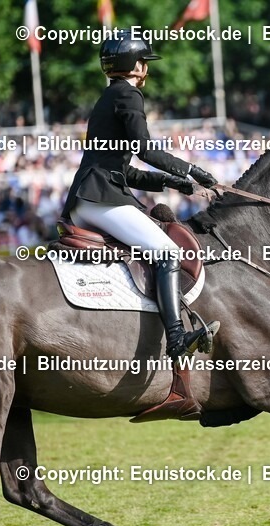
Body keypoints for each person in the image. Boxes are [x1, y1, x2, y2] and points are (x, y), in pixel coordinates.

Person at [61, 30, 219, 358]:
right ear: (135, 66)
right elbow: (144, 150)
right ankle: (176, 339)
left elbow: (126, 171)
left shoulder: (108, 97)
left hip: (90, 196)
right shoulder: (129, 94)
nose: (146, 67)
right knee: (168, 252)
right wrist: (190, 169)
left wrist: (176, 183)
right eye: (144, 61)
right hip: (100, 197)